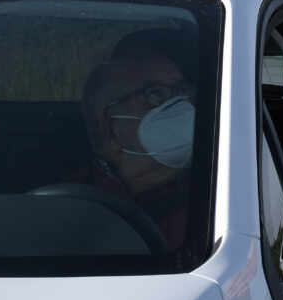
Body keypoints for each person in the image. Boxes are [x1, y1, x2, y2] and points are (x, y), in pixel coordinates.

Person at [79, 32, 198, 251]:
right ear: (108, 130)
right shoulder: (72, 207)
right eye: (155, 95)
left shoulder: (216, 192)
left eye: (181, 91)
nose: (182, 106)